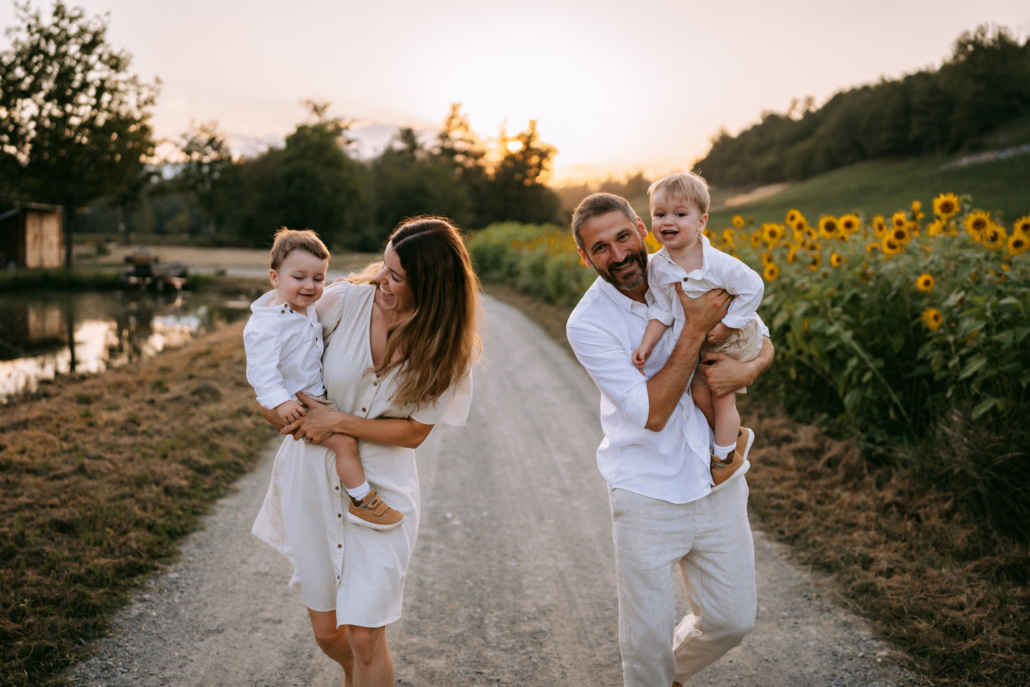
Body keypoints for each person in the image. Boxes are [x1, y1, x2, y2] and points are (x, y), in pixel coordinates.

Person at [251, 217, 481, 687]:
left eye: (396, 277)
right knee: (328, 633)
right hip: (312, 480)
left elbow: (415, 432)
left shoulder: (449, 348)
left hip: (383, 493)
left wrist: (337, 422)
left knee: (366, 637)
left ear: (432, 289)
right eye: (386, 266)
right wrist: (278, 411)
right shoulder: (339, 302)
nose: (381, 279)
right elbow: (275, 358)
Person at [565, 193, 774, 687]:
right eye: (600, 248)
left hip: (716, 476)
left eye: (622, 237)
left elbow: (759, 334)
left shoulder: (690, 264)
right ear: (585, 257)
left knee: (732, 620)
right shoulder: (587, 323)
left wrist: (746, 368)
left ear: (641, 227)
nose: (617, 255)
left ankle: (667, 675)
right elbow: (653, 414)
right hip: (645, 488)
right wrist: (695, 327)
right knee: (646, 641)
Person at [244, 228, 403, 531]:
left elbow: (318, 309)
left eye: (319, 279)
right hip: (297, 402)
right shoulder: (265, 327)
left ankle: (344, 502)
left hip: (314, 396)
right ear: (275, 278)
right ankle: (364, 502)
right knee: (344, 444)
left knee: (338, 444)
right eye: (299, 277)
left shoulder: (301, 308)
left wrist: (343, 285)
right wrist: (279, 403)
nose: (310, 286)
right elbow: (261, 373)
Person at [631, 172, 764, 485]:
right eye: (659, 214)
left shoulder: (716, 263)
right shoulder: (659, 267)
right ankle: (734, 436)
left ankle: (724, 460)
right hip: (705, 341)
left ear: (701, 222)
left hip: (734, 338)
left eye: (680, 214)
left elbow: (753, 288)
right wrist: (647, 345)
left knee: (720, 396)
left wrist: (728, 325)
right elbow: (662, 310)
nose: (668, 221)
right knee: (698, 394)